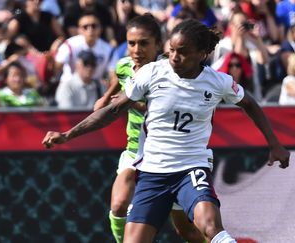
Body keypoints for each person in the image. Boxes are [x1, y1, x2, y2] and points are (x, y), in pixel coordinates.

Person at [42, 19, 290, 242]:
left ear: (202, 54)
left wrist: (274, 144)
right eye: (171, 50)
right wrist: (68, 134)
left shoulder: (218, 82)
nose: (174, 57)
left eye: (182, 52)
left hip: (191, 168)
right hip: (152, 173)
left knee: (210, 226)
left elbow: (249, 103)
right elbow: (113, 110)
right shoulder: (152, 73)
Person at [94, 14, 204, 243]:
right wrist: (104, 98)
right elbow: (119, 79)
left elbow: (164, 110)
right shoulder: (124, 65)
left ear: (157, 44)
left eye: (144, 43)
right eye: (131, 43)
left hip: (169, 157)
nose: (136, 49)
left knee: (187, 231)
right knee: (118, 204)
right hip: (135, 150)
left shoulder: (170, 72)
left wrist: (130, 103)